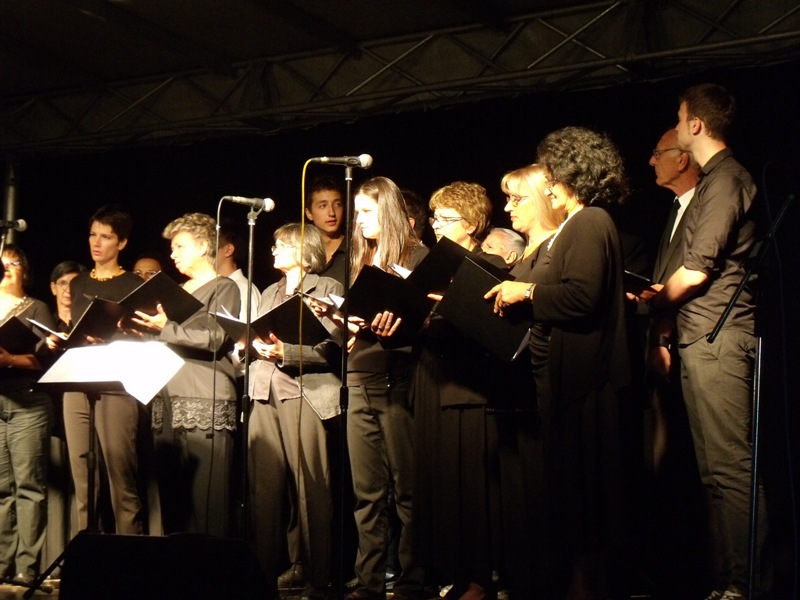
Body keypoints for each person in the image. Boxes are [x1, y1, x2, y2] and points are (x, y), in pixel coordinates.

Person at [487, 128, 631, 600]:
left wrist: (525, 291)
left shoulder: (590, 221)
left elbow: (582, 297)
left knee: (586, 496)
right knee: (573, 496)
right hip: (566, 379)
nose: (546, 187)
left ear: (572, 175)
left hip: (585, 382)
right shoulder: (579, 223)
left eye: (551, 177)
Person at [646, 83, 766, 600]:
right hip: (701, 336)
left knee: (731, 468)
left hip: (720, 334)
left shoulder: (727, 178)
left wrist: (652, 303)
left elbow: (696, 270)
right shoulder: (715, 180)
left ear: (695, 124)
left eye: (679, 118)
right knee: (714, 472)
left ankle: (747, 583)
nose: (676, 127)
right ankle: (727, 582)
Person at [412, 181, 537, 600]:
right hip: (433, 380)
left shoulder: (488, 264)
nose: (436, 226)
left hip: (471, 387)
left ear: (470, 223)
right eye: (434, 218)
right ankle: (457, 574)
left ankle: (482, 578)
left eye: (445, 219)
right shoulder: (433, 264)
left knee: (473, 486)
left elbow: (497, 328)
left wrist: (450, 306)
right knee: (443, 483)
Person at [245, 223, 344, 600]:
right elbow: (256, 337)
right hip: (263, 392)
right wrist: (247, 345)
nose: (273, 250)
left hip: (304, 395)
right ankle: (265, 574)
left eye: (282, 245)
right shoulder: (270, 291)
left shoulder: (327, 287)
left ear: (304, 250)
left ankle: (318, 578)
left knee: (310, 488)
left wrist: (285, 352)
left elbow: (333, 347)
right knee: (265, 490)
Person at [132, 213, 240, 539]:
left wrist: (164, 329)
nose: (173, 253)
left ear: (204, 247)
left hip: (203, 398)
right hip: (166, 399)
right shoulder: (175, 291)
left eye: (180, 246)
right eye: (172, 247)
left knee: (207, 502)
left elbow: (215, 338)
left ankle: (210, 569)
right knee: (174, 505)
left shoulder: (224, 287)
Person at [344, 176, 427, 600]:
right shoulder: (359, 257)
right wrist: (345, 322)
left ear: (389, 211)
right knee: (367, 492)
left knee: (407, 487)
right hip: (359, 375)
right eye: (357, 212)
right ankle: (370, 581)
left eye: (366, 211)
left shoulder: (418, 256)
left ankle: (413, 579)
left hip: (398, 377)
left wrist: (401, 320)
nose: (358, 220)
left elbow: (430, 317)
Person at [63, 205, 151, 535]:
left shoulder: (133, 284)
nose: (96, 243)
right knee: (84, 482)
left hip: (116, 383)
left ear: (122, 243)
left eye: (106, 237)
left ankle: (128, 556)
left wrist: (117, 336)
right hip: (78, 379)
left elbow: (144, 336)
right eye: (92, 235)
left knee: (122, 482)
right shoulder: (79, 282)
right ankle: (87, 555)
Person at [0, 245, 55, 586]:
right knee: (1, 488)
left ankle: (27, 567)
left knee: (28, 486)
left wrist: (10, 360)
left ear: (25, 270)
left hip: (27, 400)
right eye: (1, 262)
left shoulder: (37, 308)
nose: (6, 267)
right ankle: (1, 563)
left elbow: (48, 359)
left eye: (14, 262)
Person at [305, 176, 347, 286]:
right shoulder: (301, 253)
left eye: (337, 204)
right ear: (309, 213)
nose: (331, 212)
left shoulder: (356, 250)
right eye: (323, 206)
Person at [217, 222, 261, 321]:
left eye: (212, 248)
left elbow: (246, 329)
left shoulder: (244, 289)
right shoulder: (215, 286)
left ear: (228, 250)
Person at [49, 261, 87, 333]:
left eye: (75, 284)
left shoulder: (89, 323)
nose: (69, 290)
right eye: (63, 283)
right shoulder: (46, 322)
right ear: (53, 288)